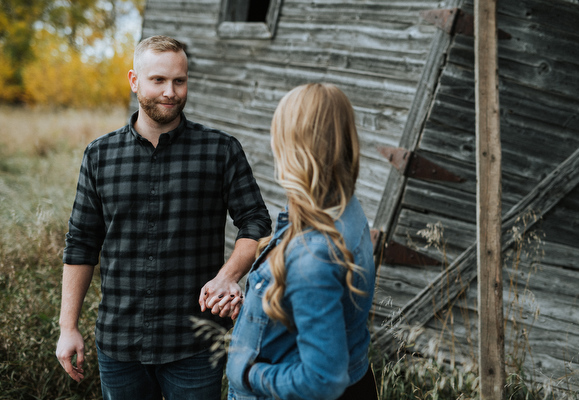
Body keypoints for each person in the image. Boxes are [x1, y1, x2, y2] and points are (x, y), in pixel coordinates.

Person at [55, 35, 271, 400]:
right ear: (134, 80)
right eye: (158, 80)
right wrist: (67, 327)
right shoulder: (99, 156)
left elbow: (256, 222)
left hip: (194, 344)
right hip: (119, 343)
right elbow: (80, 245)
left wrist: (227, 276)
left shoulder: (220, 151)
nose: (170, 92)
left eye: (179, 81)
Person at [226, 83, 378, 400]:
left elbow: (323, 378)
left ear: (295, 147)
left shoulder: (314, 255)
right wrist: (259, 303)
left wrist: (249, 374)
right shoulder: (343, 209)